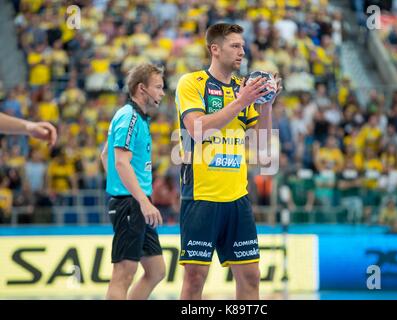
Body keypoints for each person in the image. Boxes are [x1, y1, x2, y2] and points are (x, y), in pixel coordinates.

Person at [175, 23, 281, 300]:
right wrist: (241, 101)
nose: (242, 52)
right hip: (202, 196)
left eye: (243, 46)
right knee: (195, 278)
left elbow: (261, 143)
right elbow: (197, 129)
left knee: (250, 276)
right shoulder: (191, 82)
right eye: (235, 46)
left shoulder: (241, 88)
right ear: (215, 49)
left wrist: (266, 104)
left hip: (237, 196)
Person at [101, 63, 166, 300]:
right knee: (123, 273)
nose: (162, 93)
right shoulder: (128, 117)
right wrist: (140, 200)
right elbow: (120, 162)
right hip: (131, 203)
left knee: (156, 270)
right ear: (142, 89)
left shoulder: (138, 118)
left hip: (135, 200)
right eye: (158, 87)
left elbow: (104, 155)